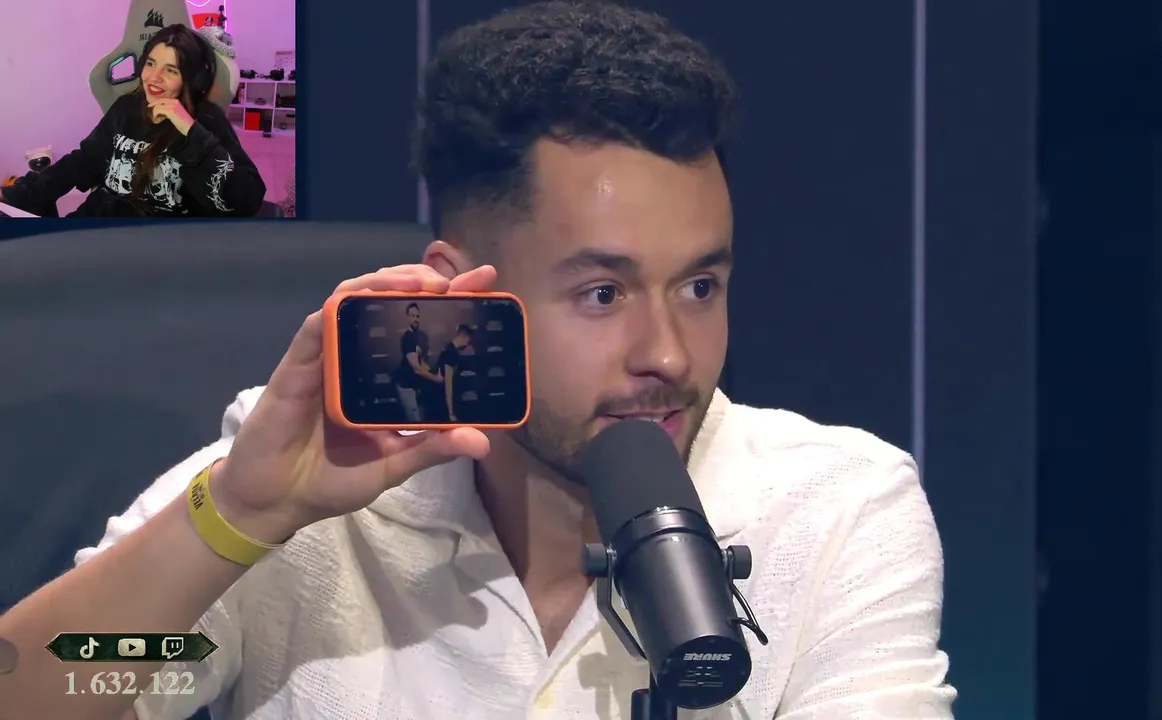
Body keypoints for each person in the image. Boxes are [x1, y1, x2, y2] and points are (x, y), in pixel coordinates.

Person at [0, 3, 956, 719]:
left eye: (700, 286)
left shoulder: (836, 507)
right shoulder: (293, 480)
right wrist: (240, 520)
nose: (669, 353)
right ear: (461, 293)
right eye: (603, 294)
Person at [0, 24, 265, 218]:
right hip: (98, 223)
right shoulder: (127, 107)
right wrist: (15, 193)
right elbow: (82, 162)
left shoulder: (206, 121)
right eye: (150, 64)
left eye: (171, 70)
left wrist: (190, 132)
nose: (153, 77)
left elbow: (246, 201)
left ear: (192, 80)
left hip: (154, 247)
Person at [394, 302, 438, 422]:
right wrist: (436, 378)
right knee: (415, 423)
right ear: (407, 317)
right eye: (412, 316)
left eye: (417, 316)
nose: (415, 319)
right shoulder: (408, 338)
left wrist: (433, 371)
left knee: (422, 419)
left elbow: (422, 362)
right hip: (407, 387)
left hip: (417, 387)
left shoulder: (419, 337)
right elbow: (416, 368)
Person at [434, 324, 473, 422]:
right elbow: (448, 384)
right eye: (468, 340)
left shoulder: (448, 350)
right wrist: (451, 412)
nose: (467, 344)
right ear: (464, 336)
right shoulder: (451, 353)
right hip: (445, 404)